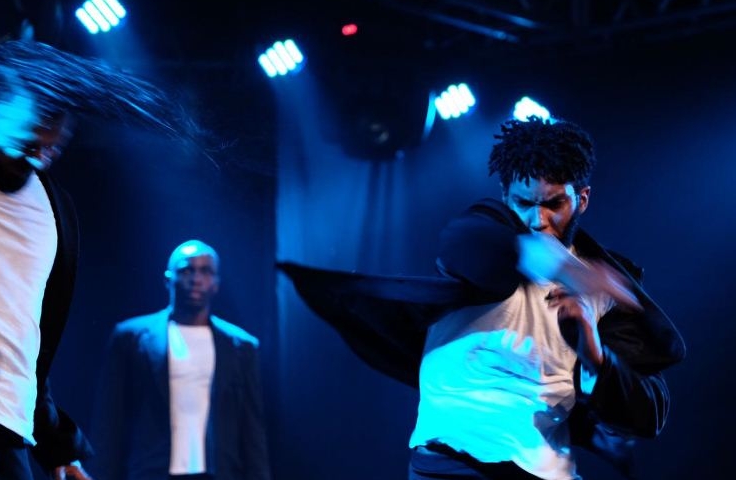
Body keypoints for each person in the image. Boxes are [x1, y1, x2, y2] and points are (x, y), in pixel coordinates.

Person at [278, 116, 685, 479]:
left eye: (554, 204)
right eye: (523, 202)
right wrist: (565, 268)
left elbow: (650, 413)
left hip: (546, 466)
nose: (537, 219)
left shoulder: (604, 288)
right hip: (458, 457)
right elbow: (471, 245)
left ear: (582, 199)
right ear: (505, 196)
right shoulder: (482, 235)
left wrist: (595, 353)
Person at [0, 38, 203, 480]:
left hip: (10, 438)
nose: (42, 156)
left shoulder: (54, 209)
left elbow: (27, 344)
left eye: (54, 145)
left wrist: (59, 447)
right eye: (29, 140)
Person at [90, 240, 272, 480]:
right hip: (151, 471)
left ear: (216, 283)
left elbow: (252, 429)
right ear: (168, 279)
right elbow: (110, 419)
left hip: (219, 472)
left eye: (205, 271)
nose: (196, 279)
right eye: (187, 270)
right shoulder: (130, 337)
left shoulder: (241, 346)